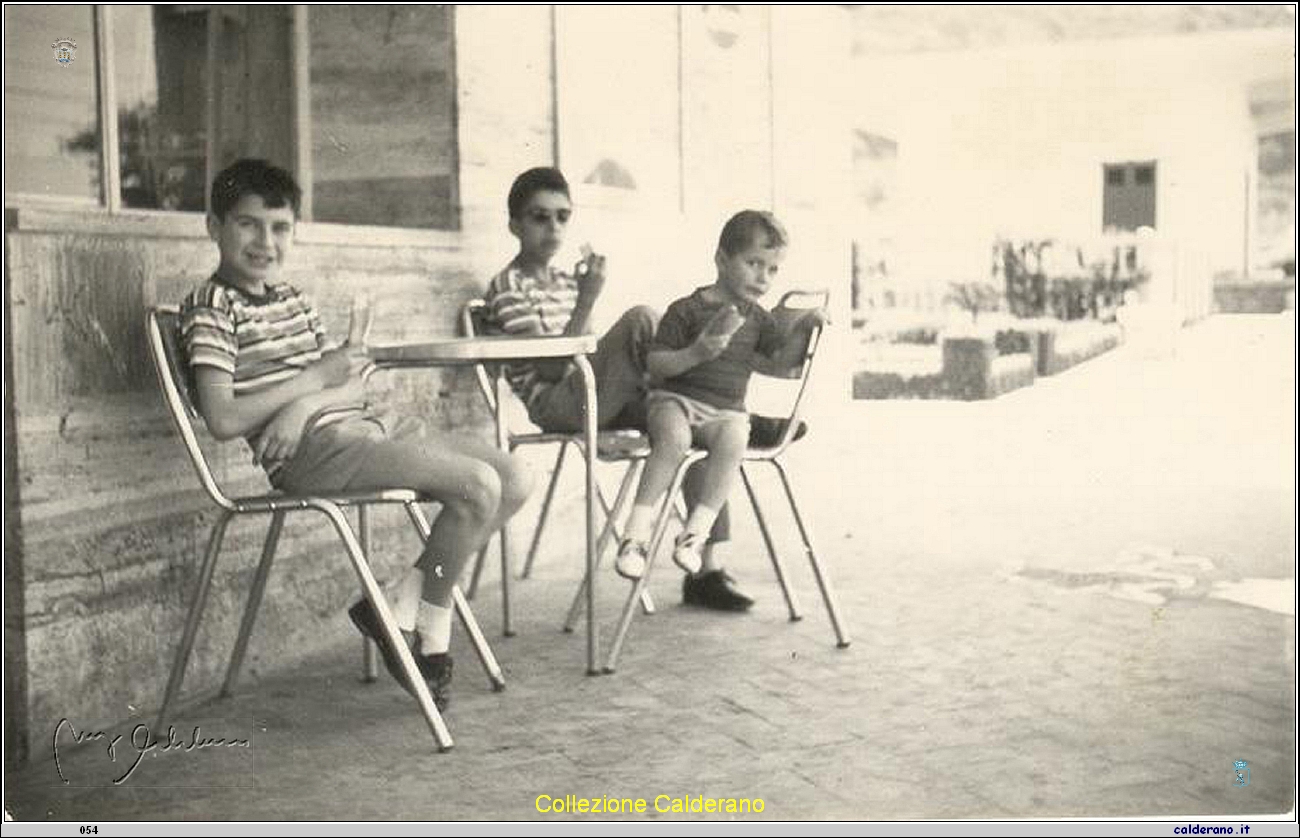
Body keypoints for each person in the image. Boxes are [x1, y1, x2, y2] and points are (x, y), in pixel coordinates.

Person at [179, 159, 531, 708]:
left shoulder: (294, 298)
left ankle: (399, 604)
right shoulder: (211, 307)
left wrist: (312, 397)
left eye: (279, 228)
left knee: (513, 476)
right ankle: (429, 634)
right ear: (214, 227)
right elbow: (222, 419)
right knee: (477, 488)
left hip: (360, 424)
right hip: (312, 453)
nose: (264, 242)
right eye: (248, 224)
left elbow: (352, 383)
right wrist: (308, 392)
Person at [481, 166, 745, 609]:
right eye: (539, 217)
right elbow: (549, 373)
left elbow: (594, 358)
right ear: (514, 225)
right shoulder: (508, 287)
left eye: (563, 217)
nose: (554, 228)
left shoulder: (566, 281)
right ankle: (720, 397)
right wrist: (588, 299)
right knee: (642, 318)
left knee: (697, 414)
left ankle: (707, 569)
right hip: (558, 403)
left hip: (597, 395)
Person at [612, 210, 827, 611]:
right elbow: (656, 366)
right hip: (675, 401)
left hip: (723, 411)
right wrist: (696, 353)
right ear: (721, 260)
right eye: (753, 264)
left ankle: (694, 536)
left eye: (772, 269)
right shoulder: (687, 310)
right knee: (673, 440)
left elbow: (781, 366)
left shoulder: (758, 319)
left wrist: (804, 324)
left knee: (734, 439)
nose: (762, 277)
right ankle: (635, 536)